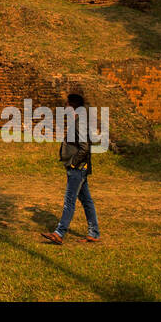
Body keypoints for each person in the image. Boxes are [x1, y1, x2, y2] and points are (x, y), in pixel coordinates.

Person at [41, 93, 100, 244]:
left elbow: (84, 147)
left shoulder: (80, 122)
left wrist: (74, 163)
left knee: (69, 201)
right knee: (86, 201)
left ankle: (59, 233)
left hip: (77, 169)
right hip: (79, 168)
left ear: (72, 107)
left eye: (66, 105)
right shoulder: (78, 121)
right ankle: (94, 232)